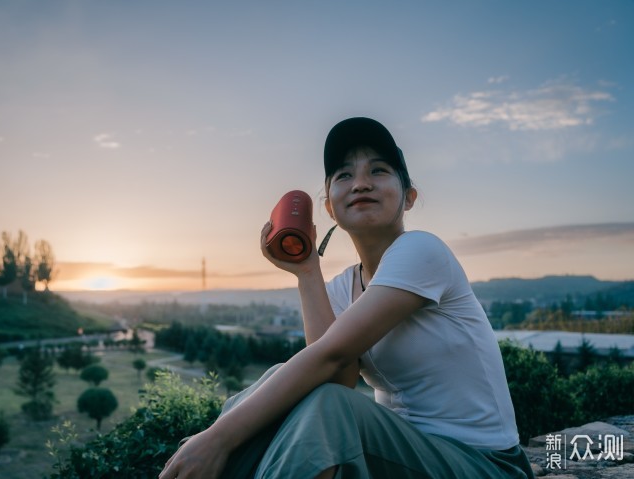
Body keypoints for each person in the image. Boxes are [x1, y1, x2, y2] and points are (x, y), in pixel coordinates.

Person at [159, 117, 535, 479]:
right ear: (329, 207)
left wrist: (218, 439)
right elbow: (336, 378)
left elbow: (331, 358)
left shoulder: (422, 251)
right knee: (288, 383)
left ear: (409, 198)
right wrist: (308, 272)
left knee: (330, 408)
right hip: (406, 456)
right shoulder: (343, 287)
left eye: (378, 171)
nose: (360, 183)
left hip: (485, 464)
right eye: (344, 175)